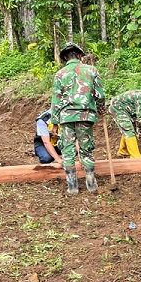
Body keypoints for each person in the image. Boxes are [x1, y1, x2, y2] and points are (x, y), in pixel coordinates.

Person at [50, 43, 105, 195]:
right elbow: (100, 95)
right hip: (85, 115)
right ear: (80, 55)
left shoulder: (60, 74)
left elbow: (56, 99)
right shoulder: (91, 70)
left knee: (68, 151)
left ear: (65, 57)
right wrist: (101, 109)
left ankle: (72, 187)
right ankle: (91, 184)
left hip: (66, 117)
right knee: (86, 150)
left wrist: (54, 122)